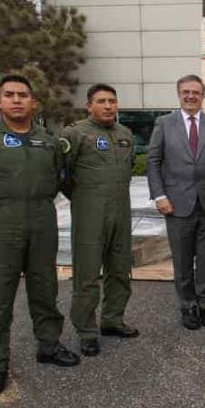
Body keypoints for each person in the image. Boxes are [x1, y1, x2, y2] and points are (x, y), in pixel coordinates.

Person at [0, 74, 80, 399]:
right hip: (0, 222)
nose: (16, 100)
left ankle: (49, 345)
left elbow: (57, 178)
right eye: (9, 95)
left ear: (33, 102)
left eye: (22, 95)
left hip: (42, 219)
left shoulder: (50, 141)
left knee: (45, 288)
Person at [146, 75, 205, 330]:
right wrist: (160, 196)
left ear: (202, 95)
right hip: (175, 205)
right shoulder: (164, 123)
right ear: (178, 94)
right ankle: (188, 306)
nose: (190, 96)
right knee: (183, 261)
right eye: (185, 92)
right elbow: (152, 162)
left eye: (195, 92)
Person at [60, 84, 137, 358]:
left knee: (120, 268)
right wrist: (84, 199)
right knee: (88, 275)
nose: (108, 106)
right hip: (90, 213)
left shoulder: (125, 134)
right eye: (101, 101)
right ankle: (87, 331)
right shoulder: (75, 133)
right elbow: (63, 176)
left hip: (121, 211)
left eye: (112, 101)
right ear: (89, 105)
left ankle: (112, 320)